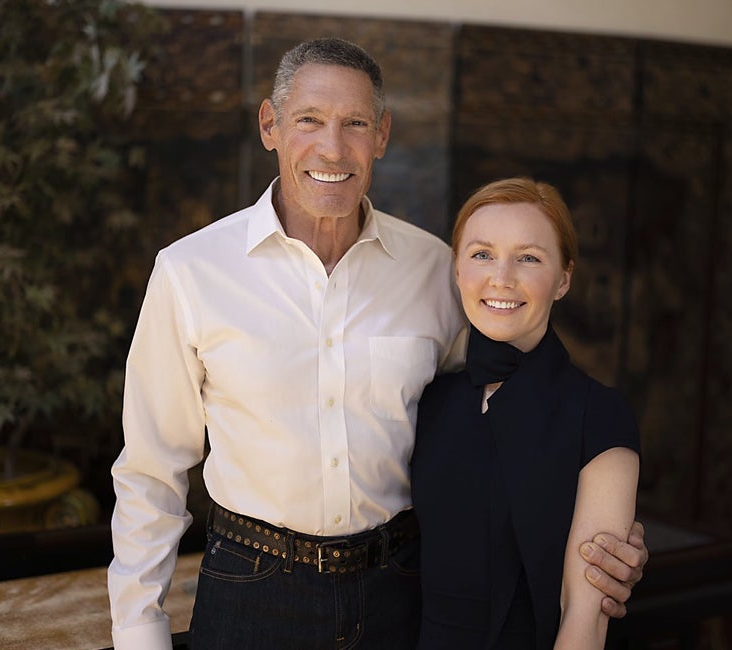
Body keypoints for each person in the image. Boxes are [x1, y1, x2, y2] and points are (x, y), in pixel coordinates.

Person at [107, 38, 647, 650]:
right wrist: (139, 632)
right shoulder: (191, 272)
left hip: (402, 592)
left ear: (382, 135)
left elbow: (500, 427)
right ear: (270, 126)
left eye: (355, 124)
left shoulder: (434, 270)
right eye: (309, 120)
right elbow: (152, 472)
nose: (332, 148)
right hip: (250, 588)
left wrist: (603, 534)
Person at [411, 177, 642, 649]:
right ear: (456, 270)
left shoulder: (599, 416)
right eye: (481, 254)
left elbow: (587, 612)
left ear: (563, 279)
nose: (502, 278)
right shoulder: (428, 398)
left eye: (529, 258)